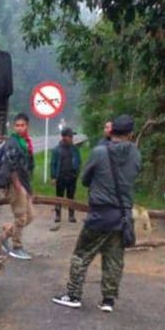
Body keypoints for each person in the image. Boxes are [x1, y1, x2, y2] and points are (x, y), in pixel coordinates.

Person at [53, 115, 141, 313]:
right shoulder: (135, 153)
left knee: (81, 254)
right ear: (131, 134)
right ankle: (108, 300)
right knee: (114, 258)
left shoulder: (100, 152)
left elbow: (84, 179)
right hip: (123, 216)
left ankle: (73, 295)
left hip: (100, 214)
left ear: (111, 132)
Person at [0, 113, 35, 260]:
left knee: (31, 216)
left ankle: (5, 235)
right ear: (14, 127)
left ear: (27, 126)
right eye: (17, 125)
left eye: (22, 125)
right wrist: (17, 185)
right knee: (20, 217)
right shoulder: (12, 142)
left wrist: (28, 188)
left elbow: (28, 167)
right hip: (14, 184)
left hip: (24, 183)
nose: (20, 128)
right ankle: (17, 247)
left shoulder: (26, 142)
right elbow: (10, 165)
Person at [51, 127, 82, 226]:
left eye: (72, 136)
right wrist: (53, 177)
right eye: (70, 136)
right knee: (59, 197)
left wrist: (77, 172)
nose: (72, 138)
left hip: (72, 177)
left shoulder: (75, 149)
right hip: (60, 176)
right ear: (64, 137)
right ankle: (58, 215)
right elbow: (53, 163)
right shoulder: (57, 150)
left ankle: (71, 215)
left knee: (71, 197)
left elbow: (79, 161)